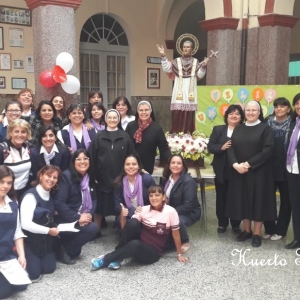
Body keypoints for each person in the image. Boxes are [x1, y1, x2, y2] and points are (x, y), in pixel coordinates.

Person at [90, 185, 188, 271]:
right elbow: (127, 230)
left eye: (157, 195)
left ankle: (104, 260)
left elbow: (176, 234)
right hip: (137, 244)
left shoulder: (171, 212)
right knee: (132, 223)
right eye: (151, 195)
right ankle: (117, 258)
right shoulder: (143, 209)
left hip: (153, 252)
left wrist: (179, 254)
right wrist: (123, 217)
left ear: (163, 197)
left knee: (135, 244)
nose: (154, 198)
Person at [226, 101, 276, 248]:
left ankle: (256, 233)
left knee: (258, 201)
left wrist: (248, 164)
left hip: (258, 172)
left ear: (259, 112)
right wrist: (235, 164)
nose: (251, 113)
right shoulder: (238, 128)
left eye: (254, 110)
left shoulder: (265, 129)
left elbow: (267, 150)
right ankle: (247, 230)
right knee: (243, 200)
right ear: (244, 112)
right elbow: (230, 148)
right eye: (248, 110)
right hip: (239, 172)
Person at [89, 109, 134, 232]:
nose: (112, 120)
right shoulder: (98, 136)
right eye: (110, 117)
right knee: (100, 206)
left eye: (115, 118)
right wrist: (94, 176)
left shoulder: (125, 136)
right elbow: (92, 157)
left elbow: (131, 156)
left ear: (119, 120)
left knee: (120, 204)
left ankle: (121, 227)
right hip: (102, 177)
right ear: (105, 119)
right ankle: (96, 230)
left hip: (120, 177)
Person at [54, 149, 98, 264]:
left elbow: (94, 199)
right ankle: (63, 249)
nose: (82, 162)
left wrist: (88, 215)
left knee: (93, 229)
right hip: (65, 218)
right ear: (73, 161)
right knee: (91, 230)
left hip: (83, 214)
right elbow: (59, 203)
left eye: (85, 158)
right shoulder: (66, 177)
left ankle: (65, 248)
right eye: (78, 159)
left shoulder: (90, 176)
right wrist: (78, 218)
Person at [157, 41, 209, 133]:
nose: (185, 49)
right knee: (177, 112)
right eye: (184, 47)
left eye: (188, 47)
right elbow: (166, 68)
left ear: (192, 49)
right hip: (178, 92)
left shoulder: (195, 62)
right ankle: (175, 133)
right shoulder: (176, 61)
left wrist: (204, 66)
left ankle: (188, 133)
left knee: (189, 114)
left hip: (190, 92)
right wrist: (163, 55)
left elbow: (200, 75)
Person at [207, 104, 244, 234]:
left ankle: (236, 224)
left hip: (238, 170)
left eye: (237, 114)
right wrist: (221, 147)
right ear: (226, 116)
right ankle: (222, 223)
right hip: (222, 169)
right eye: (231, 114)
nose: (234, 116)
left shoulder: (244, 130)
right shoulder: (218, 130)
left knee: (236, 197)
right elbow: (210, 146)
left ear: (241, 117)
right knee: (221, 197)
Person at [20, 165, 60, 280]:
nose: (51, 179)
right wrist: (48, 231)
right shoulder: (30, 196)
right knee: (34, 274)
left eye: (55, 177)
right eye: (48, 175)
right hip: (30, 242)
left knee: (49, 268)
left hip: (45, 242)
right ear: (41, 176)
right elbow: (25, 224)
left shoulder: (50, 194)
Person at [263, 98, 292, 241]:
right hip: (268, 167)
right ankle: (269, 228)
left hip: (287, 167)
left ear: (288, 108)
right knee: (267, 199)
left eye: (282, 106)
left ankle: (281, 230)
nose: (279, 108)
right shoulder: (267, 122)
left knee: (286, 201)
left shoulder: (293, 122)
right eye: (276, 106)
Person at [163, 154, 201, 253]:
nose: (175, 165)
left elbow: (188, 206)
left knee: (177, 220)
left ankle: (185, 240)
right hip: (171, 209)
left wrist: (169, 212)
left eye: (179, 163)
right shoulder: (167, 178)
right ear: (169, 165)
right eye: (173, 163)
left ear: (183, 166)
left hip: (189, 213)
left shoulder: (188, 182)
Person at [0, 166, 28, 299]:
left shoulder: (13, 202)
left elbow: (17, 231)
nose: (5, 186)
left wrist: (21, 256)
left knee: (22, 285)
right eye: (1, 182)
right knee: (4, 293)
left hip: (7, 254)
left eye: (9, 182)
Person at [126, 100, 171, 174]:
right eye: (141, 110)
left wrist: (172, 161)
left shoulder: (157, 128)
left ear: (150, 111)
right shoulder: (131, 126)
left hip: (147, 167)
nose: (144, 112)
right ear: (137, 112)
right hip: (131, 166)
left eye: (146, 110)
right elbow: (125, 146)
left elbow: (164, 148)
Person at [113, 154, 155, 229]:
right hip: (129, 214)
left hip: (146, 212)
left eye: (134, 164)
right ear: (124, 167)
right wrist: (132, 211)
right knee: (121, 220)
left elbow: (156, 199)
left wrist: (144, 209)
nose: (131, 166)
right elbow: (117, 206)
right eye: (128, 164)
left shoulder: (147, 179)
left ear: (139, 166)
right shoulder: (118, 183)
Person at [0, 119, 32, 200]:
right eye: (16, 131)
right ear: (10, 132)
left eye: (23, 132)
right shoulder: (3, 149)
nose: (20, 135)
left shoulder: (28, 147)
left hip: (25, 190)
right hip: (6, 192)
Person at [285, 93, 300, 249]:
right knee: (296, 206)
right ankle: (297, 238)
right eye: (296, 103)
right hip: (292, 169)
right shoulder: (294, 123)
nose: (298, 106)